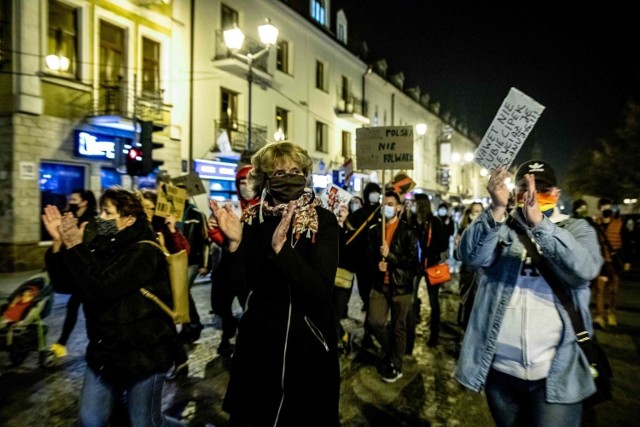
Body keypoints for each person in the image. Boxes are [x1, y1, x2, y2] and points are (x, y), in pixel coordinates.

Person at [455, 160, 603, 427]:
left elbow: (585, 268)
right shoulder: (501, 229)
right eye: (525, 186)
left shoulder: (577, 229)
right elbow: (469, 256)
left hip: (556, 374)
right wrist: (497, 208)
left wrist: (541, 224)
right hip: (501, 372)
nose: (533, 193)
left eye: (542, 187)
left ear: (556, 194)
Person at [209, 142, 340, 426]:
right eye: (279, 172)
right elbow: (240, 288)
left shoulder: (322, 222)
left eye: (295, 170)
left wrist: (283, 252)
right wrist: (233, 245)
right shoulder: (253, 219)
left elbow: (320, 291)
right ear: (265, 178)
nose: (289, 177)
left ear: (305, 175)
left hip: (307, 349)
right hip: (258, 350)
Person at [42, 188, 183, 426]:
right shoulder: (102, 241)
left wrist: (76, 245)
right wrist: (59, 243)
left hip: (144, 355)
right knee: (91, 419)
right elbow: (65, 284)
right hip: (105, 352)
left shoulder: (144, 249)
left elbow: (102, 285)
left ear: (129, 219)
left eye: (108, 213)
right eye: (101, 212)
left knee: (144, 422)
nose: (100, 219)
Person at [366, 190, 418, 382]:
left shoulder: (408, 231)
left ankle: (396, 364)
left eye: (390, 204)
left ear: (398, 207)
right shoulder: (374, 231)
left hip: (400, 287)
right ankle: (391, 353)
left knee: (398, 327)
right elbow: (368, 258)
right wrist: (376, 265)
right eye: (383, 204)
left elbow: (413, 262)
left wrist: (391, 257)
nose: (386, 207)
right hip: (380, 286)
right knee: (375, 322)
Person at [141, 189, 191, 381]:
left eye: (151, 208)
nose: (147, 211)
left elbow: (182, 252)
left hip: (162, 286)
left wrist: (171, 231)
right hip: (143, 285)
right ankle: (179, 361)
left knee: (165, 325)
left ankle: (177, 361)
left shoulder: (163, 227)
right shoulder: (135, 225)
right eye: (143, 207)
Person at [208, 164, 258, 357]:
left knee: (249, 308)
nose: (245, 186)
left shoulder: (264, 208)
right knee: (221, 304)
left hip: (248, 271)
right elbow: (223, 240)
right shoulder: (232, 208)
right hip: (227, 267)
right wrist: (214, 228)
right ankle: (227, 336)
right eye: (241, 182)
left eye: (249, 181)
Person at [50, 188, 98, 358]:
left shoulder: (92, 220)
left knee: (83, 310)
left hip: (85, 271)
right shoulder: (69, 216)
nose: (71, 200)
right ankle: (67, 343)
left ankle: (66, 343)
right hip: (72, 270)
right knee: (79, 308)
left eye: (75, 198)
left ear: (84, 201)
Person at [408, 193, 449, 349]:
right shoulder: (412, 220)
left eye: (415, 202)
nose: (413, 205)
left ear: (421, 204)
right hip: (415, 266)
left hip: (431, 265)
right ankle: (409, 337)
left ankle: (434, 335)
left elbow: (443, 244)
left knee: (433, 302)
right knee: (411, 301)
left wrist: (428, 250)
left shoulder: (435, 222)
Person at [345, 182, 381, 348]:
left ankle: (370, 328)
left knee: (374, 298)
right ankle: (369, 330)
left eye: (376, 192)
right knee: (367, 297)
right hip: (363, 265)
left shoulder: (382, 213)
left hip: (378, 264)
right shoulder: (359, 215)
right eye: (372, 192)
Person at [178, 188, 210, 343]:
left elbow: (205, 241)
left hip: (192, 260)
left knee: (182, 292)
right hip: (176, 260)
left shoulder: (197, 215)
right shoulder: (170, 214)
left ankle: (190, 325)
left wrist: (205, 264)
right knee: (183, 293)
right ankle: (192, 322)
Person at [592, 197, 628, 328]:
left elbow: (626, 243)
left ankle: (611, 313)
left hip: (614, 263)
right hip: (601, 262)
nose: (606, 209)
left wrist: (627, 260)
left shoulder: (619, 224)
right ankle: (599, 315)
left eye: (608, 207)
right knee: (599, 289)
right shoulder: (596, 225)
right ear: (600, 208)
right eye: (604, 207)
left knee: (613, 290)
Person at [454, 201, 484, 331]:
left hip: (482, 272)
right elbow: (456, 256)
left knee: (479, 303)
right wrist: (458, 248)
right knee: (467, 301)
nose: (478, 214)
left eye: (480, 211)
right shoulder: (463, 229)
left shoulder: (488, 229)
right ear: (470, 213)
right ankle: (465, 329)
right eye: (475, 211)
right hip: (467, 272)